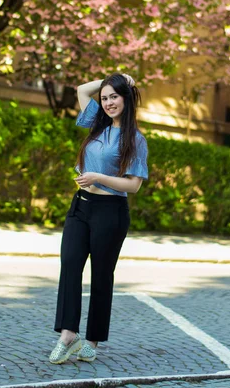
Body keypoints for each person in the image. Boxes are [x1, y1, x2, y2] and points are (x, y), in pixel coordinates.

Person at [49, 73, 148, 365]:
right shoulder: (96, 124)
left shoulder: (135, 139)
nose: (107, 103)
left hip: (111, 212)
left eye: (114, 96)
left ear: (126, 99)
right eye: (104, 98)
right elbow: (81, 90)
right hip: (80, 206)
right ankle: (68, 334)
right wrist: (112, 79)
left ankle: (91, 340)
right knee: (69, 265)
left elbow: (133, 185)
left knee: (101, 276)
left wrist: (99, 177)